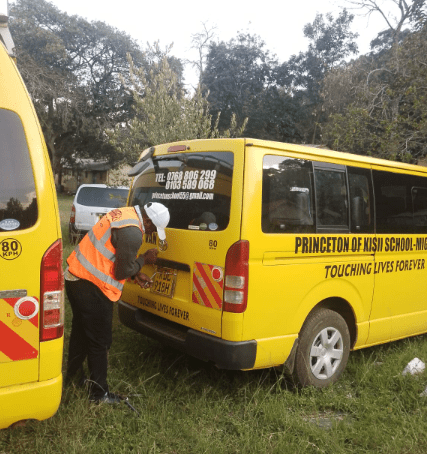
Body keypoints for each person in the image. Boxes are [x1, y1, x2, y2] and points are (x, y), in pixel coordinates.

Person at [64, 202, 170, 404]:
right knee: (99, 341)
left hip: (76, 276)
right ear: (147, 220)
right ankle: (99, 395)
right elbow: (122, 271)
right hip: (92, 286)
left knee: (81, 331)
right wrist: (143, 261)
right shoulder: (133, 233)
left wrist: (135, 273)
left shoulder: (125, 213)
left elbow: (113, 257)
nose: (151, 233)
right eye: (152, 229)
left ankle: (74, 377)